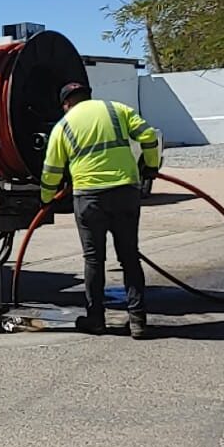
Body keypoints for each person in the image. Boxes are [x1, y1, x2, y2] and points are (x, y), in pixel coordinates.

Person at [40, 83, 161, 339]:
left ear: (66, 104)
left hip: (89, 198)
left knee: (94, 260)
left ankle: (96, 319)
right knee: (129, 257)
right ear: (89, 97)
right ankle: (138, 321)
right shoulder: (117, 110)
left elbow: (51, 170)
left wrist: (46, 198)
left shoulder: (63, 126)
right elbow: (149, 136)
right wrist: (150, 168)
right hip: (125, 192)